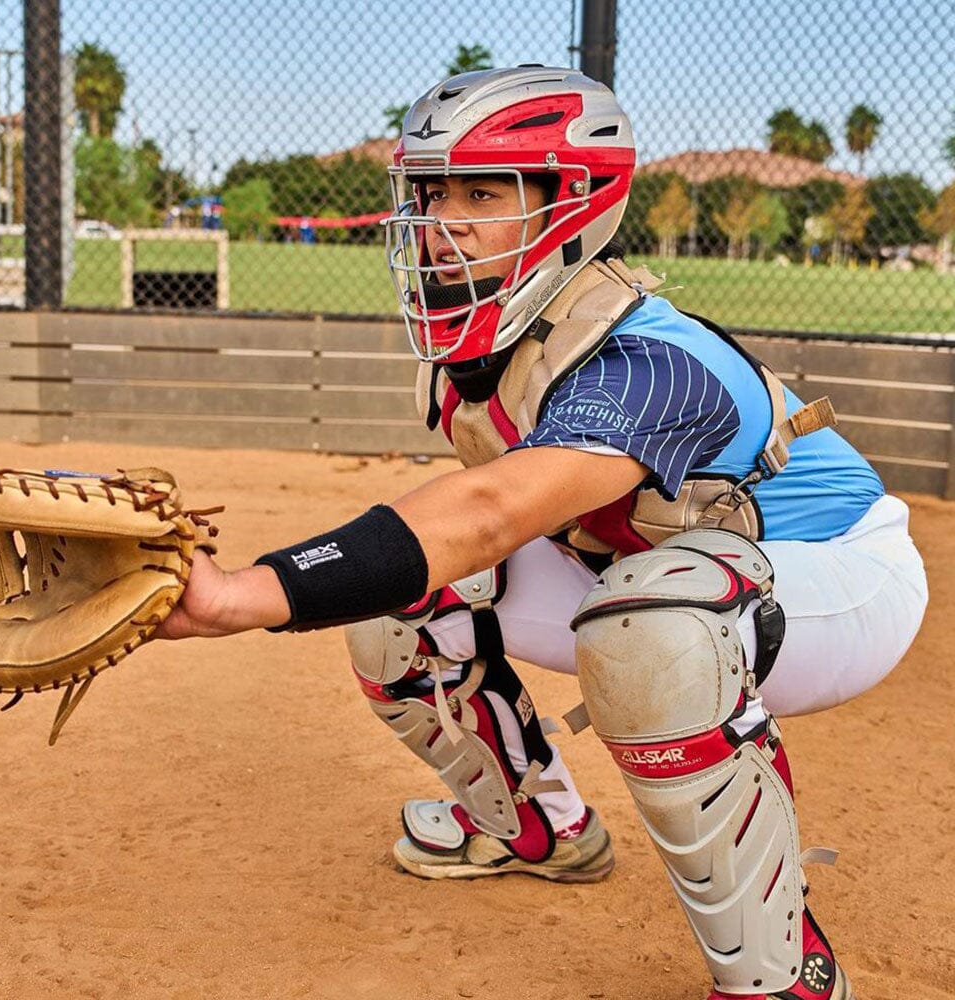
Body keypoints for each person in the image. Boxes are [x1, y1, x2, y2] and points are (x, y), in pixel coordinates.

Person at [156, 67, 927, 1000]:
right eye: (433, 191)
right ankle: (533, 827)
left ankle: (785, 979)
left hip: (840, 578)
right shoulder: (483, 352)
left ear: (572, 201)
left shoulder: (647, 360)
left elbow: (486, 516)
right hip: (669, 570)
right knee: (410, 599)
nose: (442, 219)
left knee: (661, 628)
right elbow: (455, 534)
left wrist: (245, 592)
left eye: (482, 191)